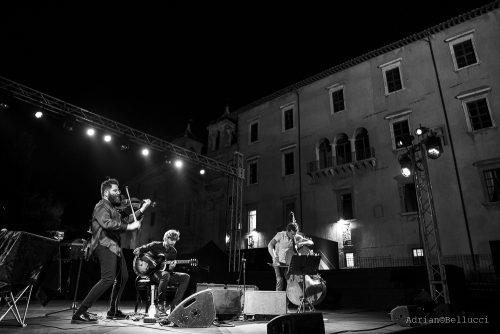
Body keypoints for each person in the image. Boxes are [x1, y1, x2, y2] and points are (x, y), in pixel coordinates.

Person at [71, 178, 151, 324]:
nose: (119, 193)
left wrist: (142, 210)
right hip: (104, 244)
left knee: (123, 277)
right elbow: (107, 223)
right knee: (108, 278)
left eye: (118, 190)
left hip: (115, 247)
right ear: (107, 192)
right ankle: (79, 313)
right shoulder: (102, 205)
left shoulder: (113, 208)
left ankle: (112, 311)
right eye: (115, 190)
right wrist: (129, 227)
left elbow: (126, 221)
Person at [133, 229, 190, 315]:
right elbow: (137, 251)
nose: (173, 242)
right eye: (171, 239)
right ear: (166, 238)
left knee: (186, 277)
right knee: (165, 275)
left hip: (164, 274)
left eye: (175, 240)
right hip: (151, 273)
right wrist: (149, 261)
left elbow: (169, 271)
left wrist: (171, 267)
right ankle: (160, 304)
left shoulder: (173, 251)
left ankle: (175, 305)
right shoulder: (155, 245)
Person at [268, 221, 314, 291]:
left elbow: (311, 242)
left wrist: (301, 243)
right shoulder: (280, 235)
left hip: (287, 263)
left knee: (290, 281)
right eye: (292, 234)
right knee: (280, 280)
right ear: (287, 231)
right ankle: (278, 300)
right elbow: (270, 245)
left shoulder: (295, 236)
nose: (293, 236)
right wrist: (274, 257)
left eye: (294, 234)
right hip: (277, 261)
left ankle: (290, 299)